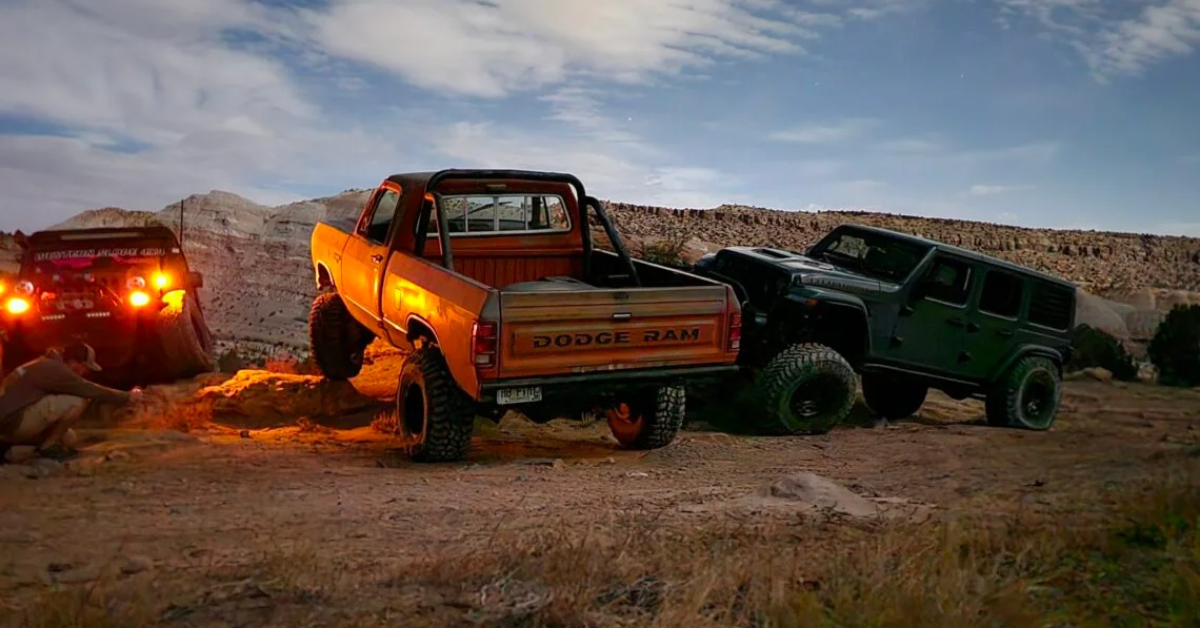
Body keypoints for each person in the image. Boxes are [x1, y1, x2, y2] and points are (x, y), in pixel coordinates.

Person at [0, 342, 143, 463]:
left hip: (9, 421)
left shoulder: (43, 363)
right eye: (84, 367)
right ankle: (48, 448)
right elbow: (90, 390)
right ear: (74, 362)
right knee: (77, 400)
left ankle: (13, 449)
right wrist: (127, 396)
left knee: (68, 438)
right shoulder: (55, 369)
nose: (84, 372)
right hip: (14, 422)